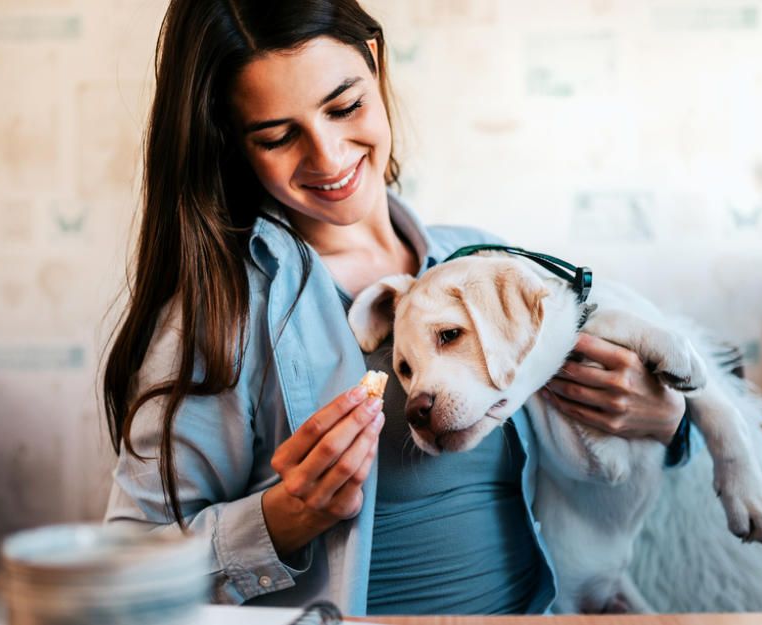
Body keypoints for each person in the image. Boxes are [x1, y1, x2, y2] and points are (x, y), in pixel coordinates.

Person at [102, 0, 688, 615]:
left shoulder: (481, 265)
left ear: (374, 62)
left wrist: (665, 425)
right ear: (233, 142)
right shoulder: (220, 319)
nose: (328, 158)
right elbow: (123, 569)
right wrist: (280, 521)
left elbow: (598, 463)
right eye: (277, 136)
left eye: (345, 105)